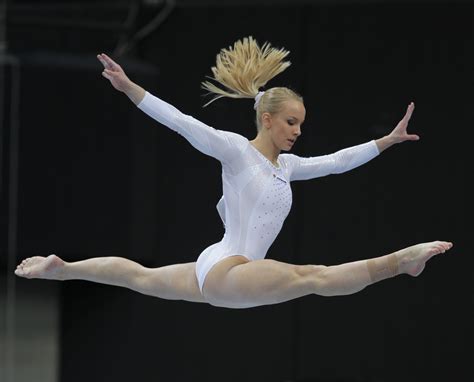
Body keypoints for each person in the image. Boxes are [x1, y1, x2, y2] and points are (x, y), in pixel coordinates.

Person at [15, 37, 452, 309]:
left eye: (302, 124)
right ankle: (400, 263)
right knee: (313, 277)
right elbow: (181, 121)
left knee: (140, 277)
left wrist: (386, 141)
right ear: (267, 119)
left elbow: (338, 161)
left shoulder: (289, 167)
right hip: (229, 269)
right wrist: (130, 88)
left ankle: (64, 268)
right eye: (291, 122)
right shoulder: (236, 151)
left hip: (223, 271)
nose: (299, 131)